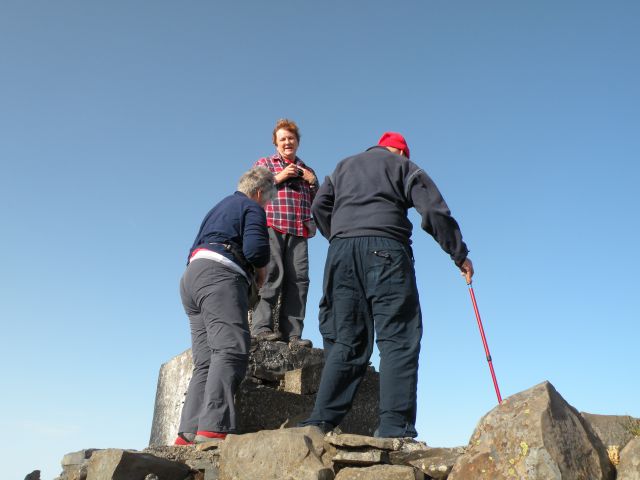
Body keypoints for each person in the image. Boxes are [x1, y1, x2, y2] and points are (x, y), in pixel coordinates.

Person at [300, 132, 474, 438]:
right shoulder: (402, 166)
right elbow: (432, 211)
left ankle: (320, 422)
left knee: (347, 339)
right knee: (398, 337)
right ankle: (394, 427)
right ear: (400, 151)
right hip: (387, 250)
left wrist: (341, 237)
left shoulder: (342, 167)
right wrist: (459, 254)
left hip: (340, 254)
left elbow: (319, 207)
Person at [175, 166, 276, 445]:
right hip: (220, 276)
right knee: (231, 349)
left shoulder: (219, 206)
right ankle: (213, 428)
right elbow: (256, 250)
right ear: (258, 192)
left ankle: (187, 432)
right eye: (267, 200)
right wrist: (261, 274)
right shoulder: (251, 207)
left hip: (191, 279)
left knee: (205, 360)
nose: (266, 205)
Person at [251, 119, 318, 348]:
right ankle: (261, 328)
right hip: (272, 225)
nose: (287, 142)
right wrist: (279, 177)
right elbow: (251, 191)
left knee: (299, 282)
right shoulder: (265, 163)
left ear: (297, 142)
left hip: (299, 231)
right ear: (276, 143)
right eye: (283, 139)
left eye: (291, 138)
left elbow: (320, 202)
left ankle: (293, 335)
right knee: (271, 275)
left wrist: (313, 182)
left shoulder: (306, 170)